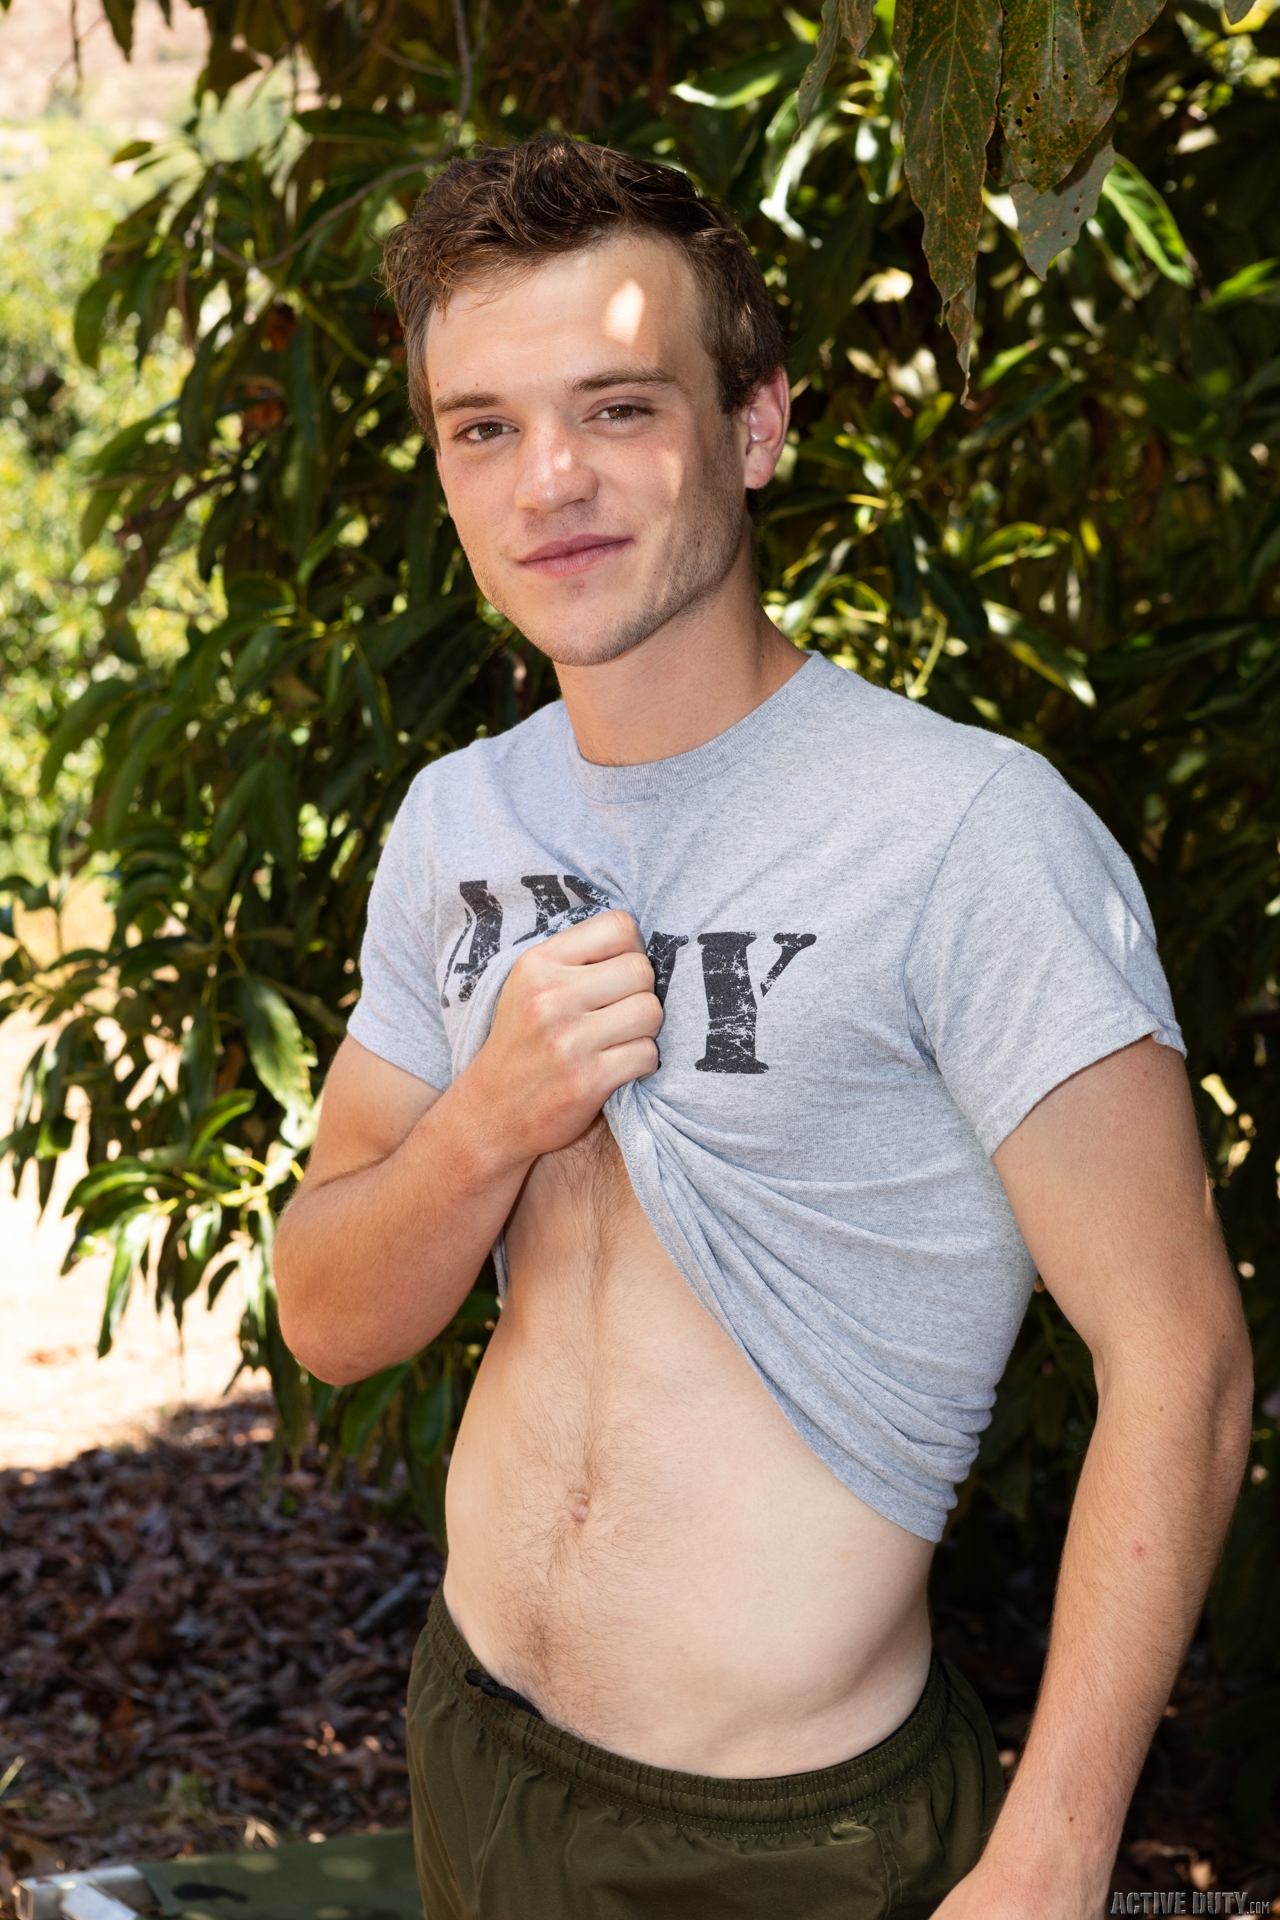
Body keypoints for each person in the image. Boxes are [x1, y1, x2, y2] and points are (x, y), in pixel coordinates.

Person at [273, 134, 1252, 1919]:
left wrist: (1050, 1857)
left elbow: (1180, 1360)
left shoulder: (964, 833)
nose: (548, 480)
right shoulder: (457, 822)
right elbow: (330, 1319)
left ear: (756, 425)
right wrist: (489, 1121)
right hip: (476, 1743)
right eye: (482, 426)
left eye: (618, 407)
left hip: (796, 1844)